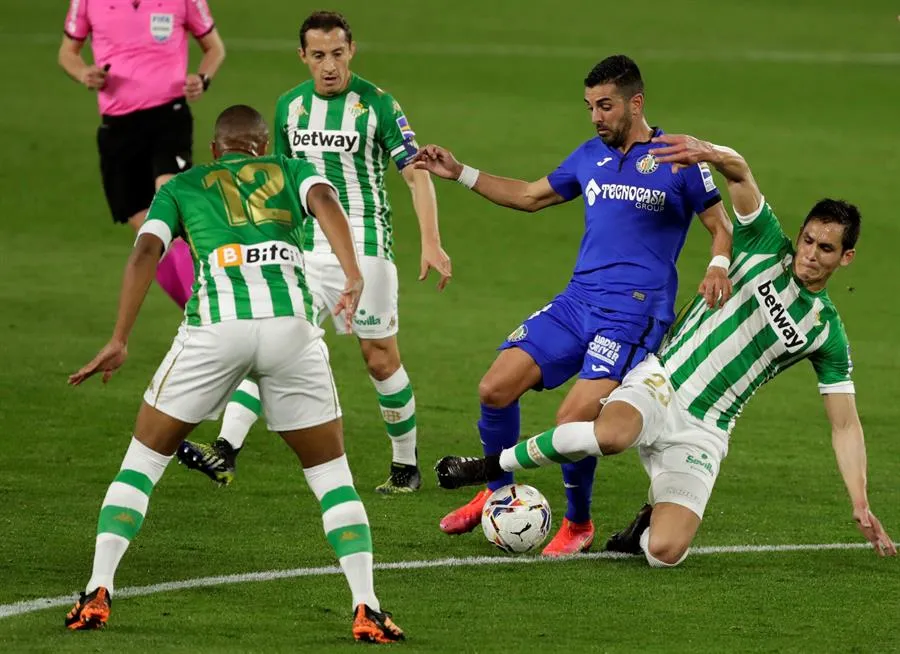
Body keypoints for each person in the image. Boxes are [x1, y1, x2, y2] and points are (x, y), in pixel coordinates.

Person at [434, 133, 897, 565]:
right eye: (809, 240)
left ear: (846, 257)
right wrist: (709, 152)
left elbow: (845, 424)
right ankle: (489, 467)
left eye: (827, 249)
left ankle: (642, 523)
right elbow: (740, 173)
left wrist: (860, 501)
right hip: (662, 380)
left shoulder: (825, 332)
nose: (811, 254)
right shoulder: (763, 243)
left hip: (706, 429)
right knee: (609, 435)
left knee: (665, 552)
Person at [64, 105, 405, 643]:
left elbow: (146, 251)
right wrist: (353, 272)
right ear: (263, 144)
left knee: (143, 463)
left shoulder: (181, 186)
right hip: (291, 330)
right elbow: (326, 201)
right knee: (330, 477)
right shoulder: (290, 170)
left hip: (213, 333)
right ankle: (368, 605)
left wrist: (119, 338)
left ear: (215, 151)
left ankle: (97, 588)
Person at [413, 55, 733, 555]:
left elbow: (721, 226)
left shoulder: (678, 157)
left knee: (573, 423)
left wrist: (717, 265)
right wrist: (460, 173)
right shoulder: (590, 156)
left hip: (634, 313)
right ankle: (498, 493)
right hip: (577, 301)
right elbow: (528, 196)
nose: (596, 117)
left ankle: (578, 523)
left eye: (605, 106)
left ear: (636, 102)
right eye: (589, 107)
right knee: (494, 388)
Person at [178, 11, 451, 494]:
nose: (329, 66)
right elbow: (277, 175)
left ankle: (405, 466)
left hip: (366, 245)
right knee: (274, 336)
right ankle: (225, 448)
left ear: (352, 52)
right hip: (303, 247)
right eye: (319, 55)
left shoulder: (378, 105)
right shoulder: (290, 107)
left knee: (379, 358)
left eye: (338, 54)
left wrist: (430, 240)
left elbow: (415, 172)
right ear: (303, 56)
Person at [58, 0, 225, 308]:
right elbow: (67, 52)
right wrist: (84, 74)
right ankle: (199, 311)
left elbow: (214, 48)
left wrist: (202, 79)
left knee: (169, 217)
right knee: (150, 234)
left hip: (168, 119)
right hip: (118, 127)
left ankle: (215, 311)